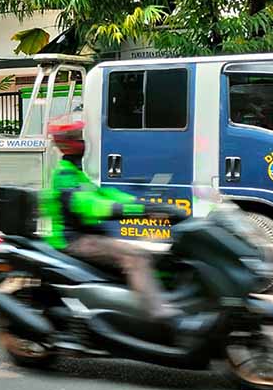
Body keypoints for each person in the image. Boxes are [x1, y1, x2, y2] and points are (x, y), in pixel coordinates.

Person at [41, 115, 181, 322]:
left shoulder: (75, 172)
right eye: (76, 137)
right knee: (135, 256)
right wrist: (137, 209)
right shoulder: (65, 176)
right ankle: (162, 316)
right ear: (66, 143)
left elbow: (106, 195)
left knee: (155, 250)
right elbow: (90, 206)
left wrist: (148, 205)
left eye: (80, 136)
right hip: (73, 240)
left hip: (87, 235)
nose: (82, 142)